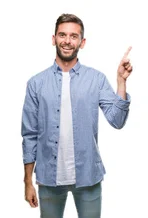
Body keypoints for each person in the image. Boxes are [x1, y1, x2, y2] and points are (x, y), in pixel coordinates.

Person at [21, 13, 133, 218]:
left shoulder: (96, 79)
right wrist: (28, 181)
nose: (67, 41)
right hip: (48, 178)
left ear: (82, 42)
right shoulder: (36, 83)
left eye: (73, 36)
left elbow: (117, 120)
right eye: (62, 35)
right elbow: (29, 135)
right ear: (53, 39)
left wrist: (121, 82)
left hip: (88, 176)